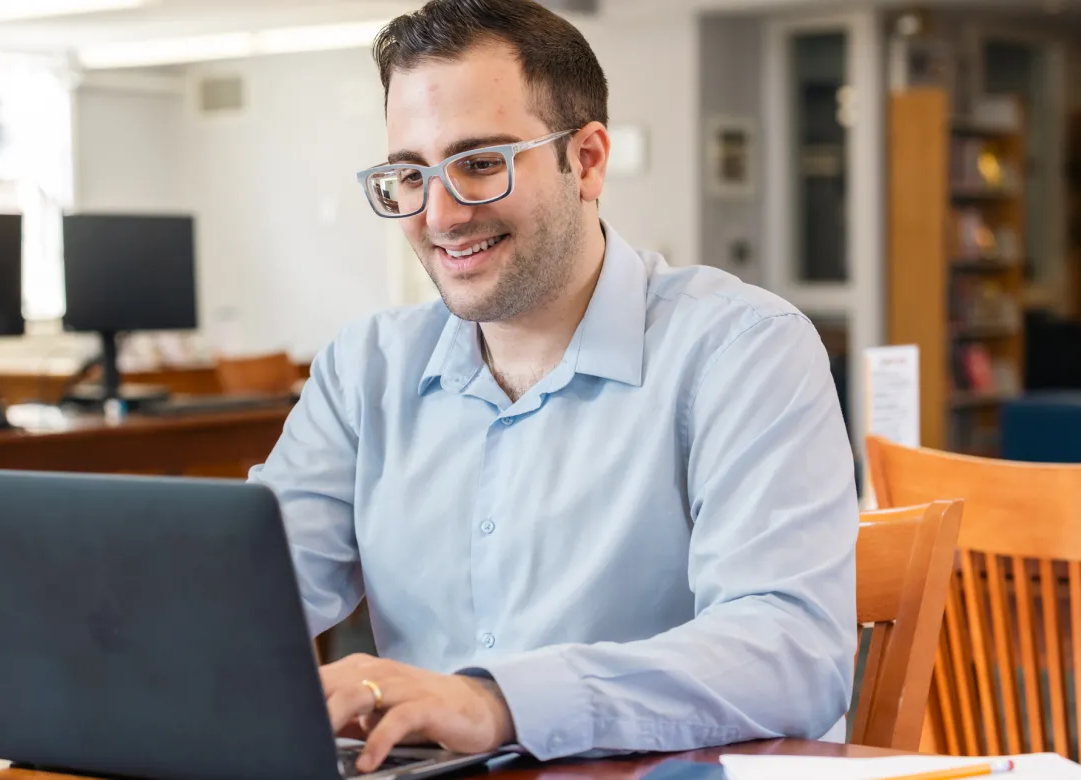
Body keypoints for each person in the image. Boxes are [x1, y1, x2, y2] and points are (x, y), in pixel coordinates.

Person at [248, 0, 858, 772]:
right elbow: (247, 601)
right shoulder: (363, 367)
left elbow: (792, 654)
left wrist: (498, 702)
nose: (439, 215)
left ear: (589, 161)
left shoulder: (743, 350)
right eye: (409, 174)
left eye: (480, 164)